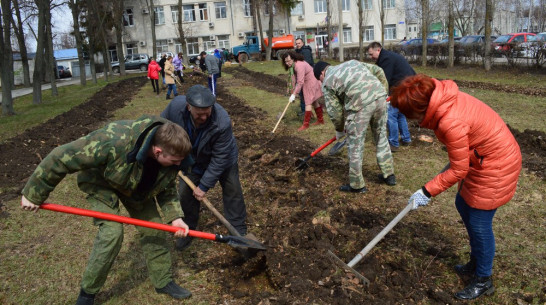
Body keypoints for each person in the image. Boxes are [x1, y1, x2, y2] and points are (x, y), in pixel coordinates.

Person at [20, 116, 194, 305]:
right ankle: (88, 293)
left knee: (155, 229)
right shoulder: (113, 140)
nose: (179, 165)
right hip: (100, 182)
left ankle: (163, 281)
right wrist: (33, 193)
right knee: (112, 233)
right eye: (175, 161)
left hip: (135, 187)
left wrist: (175, 217)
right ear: (158, 151)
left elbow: (166, 187)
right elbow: (61, 156)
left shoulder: (172, 156)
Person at [392, 74, 521, 301]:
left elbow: (458, 171)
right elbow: (460, 159)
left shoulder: (450, 121)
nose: (409, 119)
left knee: (479, 223)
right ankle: (476, 260)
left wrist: (426, 191)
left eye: (408, 114)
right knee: (462, 204)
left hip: (496, 165)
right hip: (480, 158)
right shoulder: (443, 101)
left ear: (420, 108)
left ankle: (484, 279)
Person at [161, 85, 248, 251]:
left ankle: (238, 230)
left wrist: (204, 185)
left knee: (232, 189)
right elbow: (161, 128)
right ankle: (188, 229)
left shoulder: (221, 121)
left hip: (222, 158)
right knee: (185, 193)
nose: (204, 116)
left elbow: (220, 157)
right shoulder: (175, 108)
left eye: (207, 111)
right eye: (199, 113)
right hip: (192, 158)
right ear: (189, 107)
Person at [313, 60, 396, 193]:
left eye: (319, 79)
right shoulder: (352, 63)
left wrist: (339, 130)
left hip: (360, 106)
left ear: (322, 73)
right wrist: (382, 93)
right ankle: (389, 175)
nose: (321, 82)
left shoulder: (328, 81)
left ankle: (357, 185)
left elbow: (335, 112)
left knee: (355, 145)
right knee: (381, 137)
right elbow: (379, 71)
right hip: (380, 98)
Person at [367, 41, 414, 152]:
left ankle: (393, 143)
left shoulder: (386, 60)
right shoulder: (386, 56)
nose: (370, 57)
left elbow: (385, 80)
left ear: (378, 50)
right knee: (400, 114)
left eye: (371, 54)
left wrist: (381, 97)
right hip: (407, 85)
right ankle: (406, 139)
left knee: (391, 115)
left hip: (402, 86)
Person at [281, 51, 323, 131]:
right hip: (307, 80)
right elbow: (294, 79)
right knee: (314, 101)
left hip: (311, 80)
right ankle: (320, 120)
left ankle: (306, 124)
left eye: (289, 61)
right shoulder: (292, 67)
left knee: (308, 102)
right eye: (285, 61)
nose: (287, 63)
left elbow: (300, 82)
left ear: (293, 59)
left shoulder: (299, 65)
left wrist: (294, 94)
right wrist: (292, 92)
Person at [295, 38, 314, 116]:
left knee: (305, 93)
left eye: (299, 43)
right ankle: (305, 110)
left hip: (308, 75)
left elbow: (308, 63)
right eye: (296, 43)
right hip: (301, 74)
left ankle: (307, 111)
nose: (297, 45)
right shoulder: (297, 52)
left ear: (303, 43)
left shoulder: (306, 51)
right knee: (302, 93)